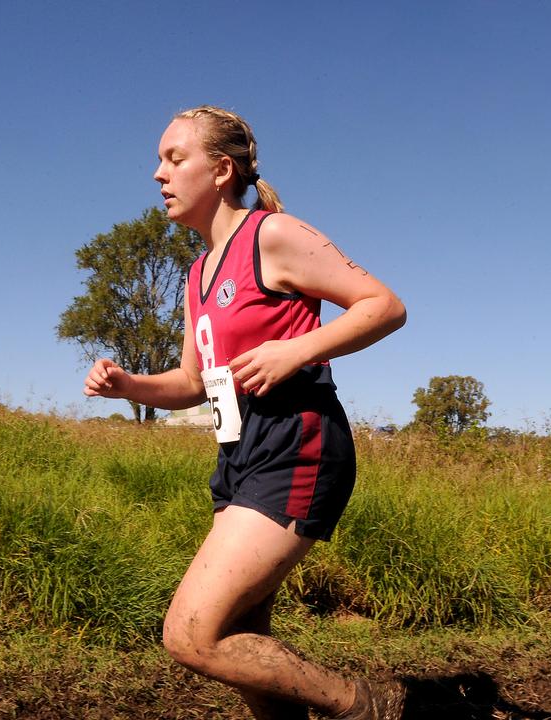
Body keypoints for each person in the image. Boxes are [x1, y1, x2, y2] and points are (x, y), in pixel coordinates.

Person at [83, 105, 407, 719]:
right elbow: (191, 383)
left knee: (191, 634)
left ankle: (365, 706)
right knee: (241, 634)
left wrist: (297, 349)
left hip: (299, 440)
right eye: (160, 160)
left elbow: (383, 305)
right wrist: (130, 385)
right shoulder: (198, 272)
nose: (159, 174)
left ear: (222, 169)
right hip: (239, 451)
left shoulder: (273, 235)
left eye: (175, 158)